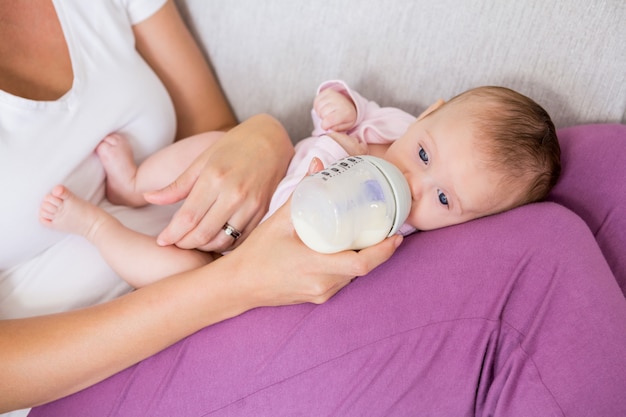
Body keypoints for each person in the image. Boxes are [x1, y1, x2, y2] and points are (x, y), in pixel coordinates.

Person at [0, 2, 400, 415]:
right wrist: (234, 283)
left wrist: (265, 138)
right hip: (84, 379)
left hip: (219, 253)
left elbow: (215, 131)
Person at [39, 80, 560, 288]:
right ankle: (132, 185)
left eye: (445, 199)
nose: (414, 182)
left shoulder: (399, 231)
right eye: (425, 154)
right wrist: (343, 106)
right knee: (214, 144)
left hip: (238, 251)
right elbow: (341, 104)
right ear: (430, 113)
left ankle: (94, 226)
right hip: (265, 179)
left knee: (178, 272)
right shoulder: (390, 129)